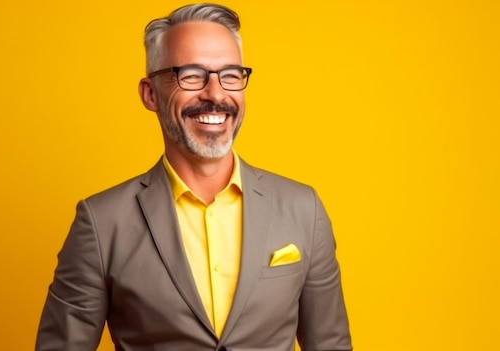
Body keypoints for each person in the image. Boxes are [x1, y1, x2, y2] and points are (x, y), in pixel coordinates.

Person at [36, 3, 351, 351]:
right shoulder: (101, 222)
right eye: (191, 75)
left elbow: (330, 345)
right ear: (150, 94)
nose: (215, 94)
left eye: (230, 74)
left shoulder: (304, 209)